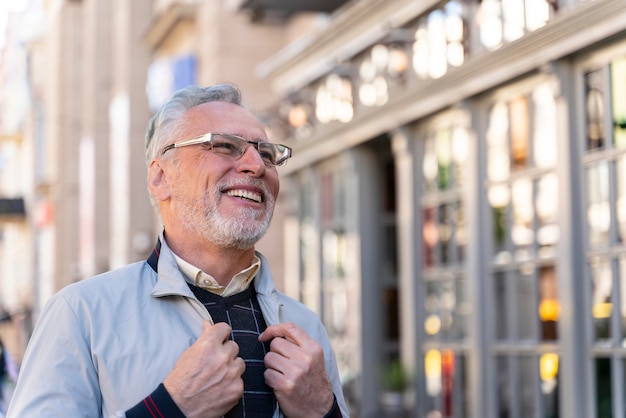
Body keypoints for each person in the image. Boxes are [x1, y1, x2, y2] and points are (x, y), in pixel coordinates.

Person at [7, 83, 348, 417]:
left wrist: (323, 411)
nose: (257, 165)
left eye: (268, 154)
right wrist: (169, 407)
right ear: (160, 177)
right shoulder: (81, 314)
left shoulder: (306, 327)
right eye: (226, 146)